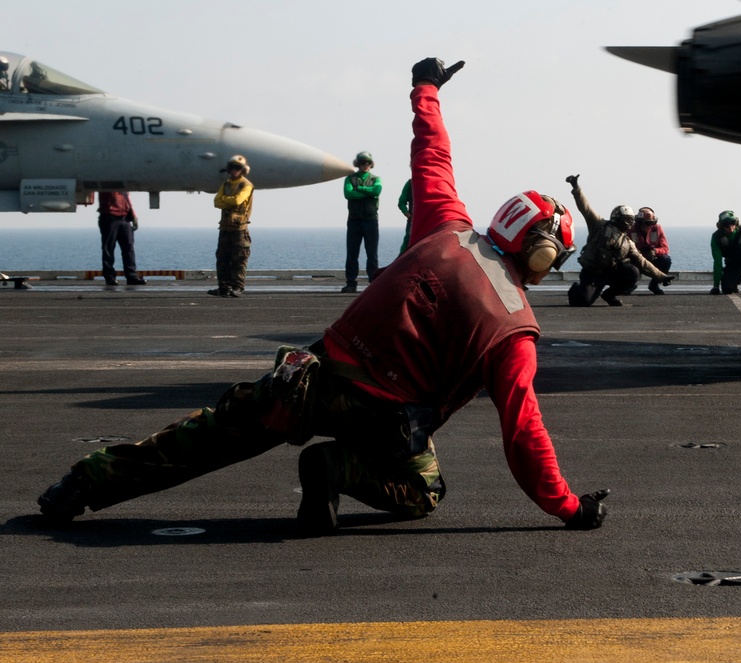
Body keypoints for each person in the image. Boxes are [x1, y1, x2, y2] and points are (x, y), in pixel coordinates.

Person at [37, 57, 608, 535]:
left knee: (209, 434)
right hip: (384, 422)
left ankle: (79, 485)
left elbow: (431, 155)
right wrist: (569, 506)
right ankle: (336, 469)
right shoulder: (513, 328)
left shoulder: (445, 225)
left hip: (312, 376)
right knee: (422, 488)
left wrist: (426, 88)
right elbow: (523, 431)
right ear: (540, 253)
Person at [565, 174, 673, 306]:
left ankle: (609, 295)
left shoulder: (627, 242)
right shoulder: (599, 225)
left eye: (630, 220)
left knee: (632, 272)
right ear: (618, 218)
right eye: (627, 220)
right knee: (582, 302)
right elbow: (585, 208)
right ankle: (577, 288)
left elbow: (642, 262)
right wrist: (576, 188)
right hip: (592, 273)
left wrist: (661, 277)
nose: (629, 223)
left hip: (611, 272)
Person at [210, 155, 254, 298]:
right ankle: (223, 287)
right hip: (225, 228)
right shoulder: (226, 184)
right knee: (222, 258)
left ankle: (238, 288)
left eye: (238, 168)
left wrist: (225, 200)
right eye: (233, 167)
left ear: (243, 170)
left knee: (239, 259)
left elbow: (237, 200)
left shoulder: (246, 185)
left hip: (239, 230)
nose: (235, 170)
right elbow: (216, 202)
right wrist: (226, 200)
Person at [341, 151, 382, 292]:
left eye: (368, 163)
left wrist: (360, 188)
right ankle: (351, 283)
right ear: (357, 163)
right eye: (362, 162)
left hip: (371, 221)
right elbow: (348, 194)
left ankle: (374, 283)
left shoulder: (376, 179)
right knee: (352, 254)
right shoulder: (349, 179)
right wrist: (367, 192)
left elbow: (377, 191)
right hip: (354, 221)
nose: (365, 165)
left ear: (371, 164)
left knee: (372, 254)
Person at [97, 191, 146, 287]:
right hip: (109, 216)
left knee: (128, 248)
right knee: (109, 248)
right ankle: (110, 277)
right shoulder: (106, 182)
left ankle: (131, 276)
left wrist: (133, 215)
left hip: (124, 217)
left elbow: (127, 199)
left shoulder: (123, 185)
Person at [629, 207, 673, 295]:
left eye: (648, 223)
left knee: (666, 260)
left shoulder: (657, 228)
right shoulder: (630, 229)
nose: (644, 226)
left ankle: (654, 284)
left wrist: (655, 251)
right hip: (635, 259)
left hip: (652, 258)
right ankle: (629, 285)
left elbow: (665, 248)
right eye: (641, 223)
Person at [398, 178, 413, 254]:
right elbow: (401, 203)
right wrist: (409, 216)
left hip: (429, 220)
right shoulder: (410, 183)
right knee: (408, 241)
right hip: (413, 220)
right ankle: (400, 263)